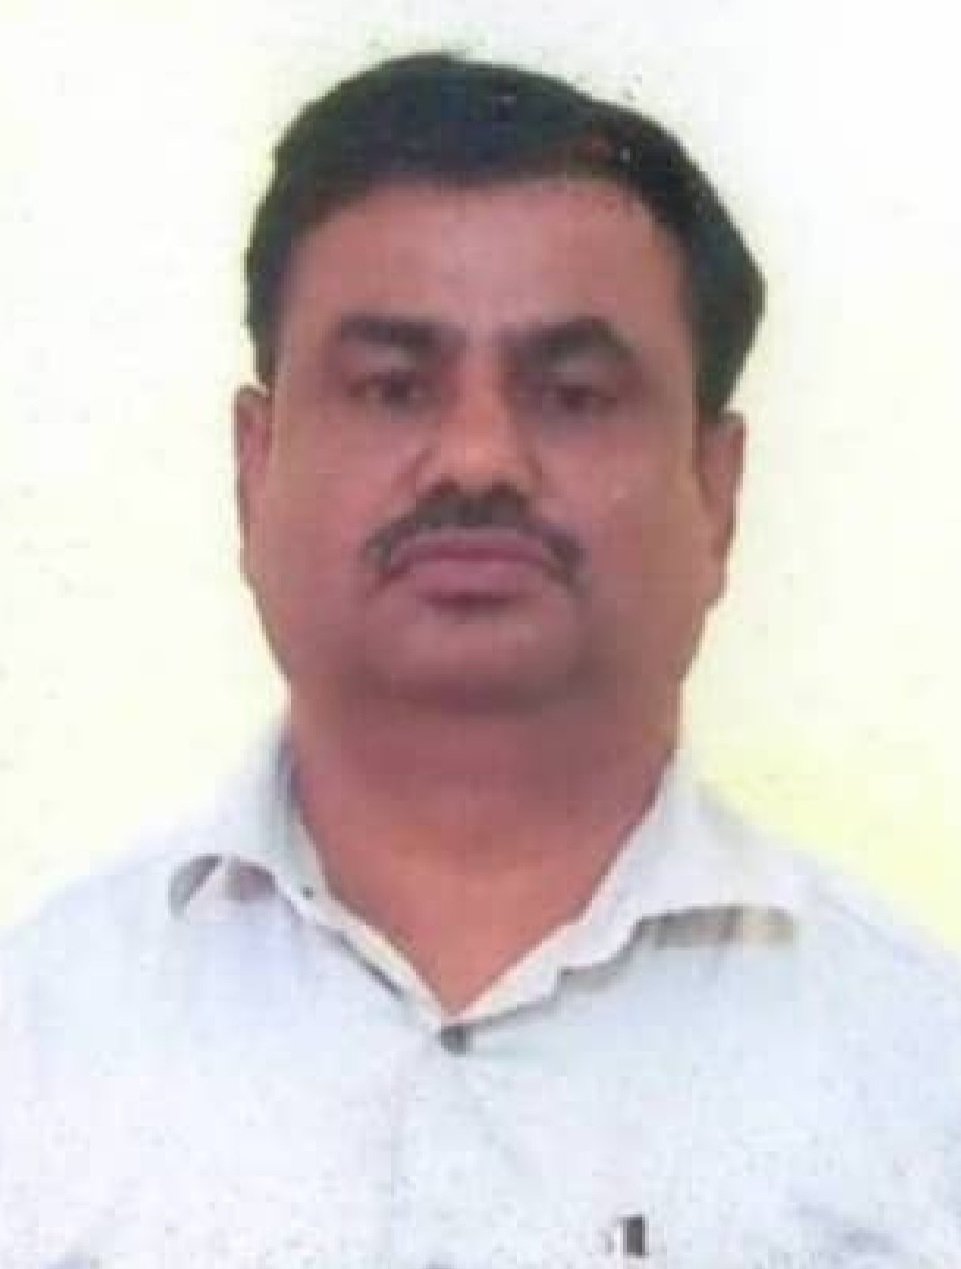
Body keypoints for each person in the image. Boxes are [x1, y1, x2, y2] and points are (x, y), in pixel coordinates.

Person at [1, 51, 959, 1269]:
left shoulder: (919, 1083)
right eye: (391, 388)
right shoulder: (35, 1049)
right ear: (253, 468)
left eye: (573, 394)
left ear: (716, 493)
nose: (477, 459)